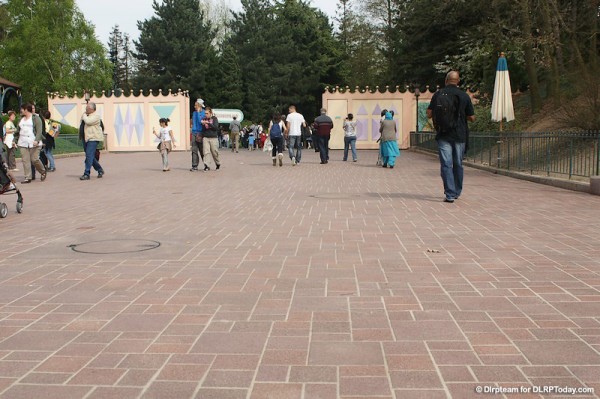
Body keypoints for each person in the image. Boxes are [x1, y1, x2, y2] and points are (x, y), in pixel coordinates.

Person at [427, 70, 475, 203]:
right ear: (458, 81)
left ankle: (449, 193)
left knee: (446, 164)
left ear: (446, 80)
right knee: (458, 164)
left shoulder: (438, 94)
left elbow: (429, 113)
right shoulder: (464, 96)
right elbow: (472, 117)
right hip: (460, 135)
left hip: (443, 134)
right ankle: (457, 191)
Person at [16, 103, 46, 184]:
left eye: (22, 109)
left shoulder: (36, 118)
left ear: (26, 109)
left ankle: (43, 171)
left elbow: (39, 131)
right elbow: (18, 131)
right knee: (25, 160)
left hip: (34, 142)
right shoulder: (21, 119)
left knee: (34, 159)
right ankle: (27, 177)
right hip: (23, 142)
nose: (21, 110)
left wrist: (37, 140)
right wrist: (14, 140)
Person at [80, 102, 105, 180]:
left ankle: (86, 173)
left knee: (89, 155)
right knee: (90, 156)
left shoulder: (96, 116)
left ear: (91, 109)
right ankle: (100, 169)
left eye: (87, 108)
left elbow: (88, 121)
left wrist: (84, 115)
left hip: (93, 138)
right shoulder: (87, 116)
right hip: (86, 138)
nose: (85, 110)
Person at [190, 98, 206, 171]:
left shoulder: (203, 113)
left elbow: (201, 122)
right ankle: (194, 165)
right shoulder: (194, 113)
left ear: (199, 106)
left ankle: (206, 164)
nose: (194, 106)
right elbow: (193, 122)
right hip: (194, 132)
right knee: (194, 150)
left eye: (196, 105)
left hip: (200, 133)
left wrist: (199, 113)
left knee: (202, 150)